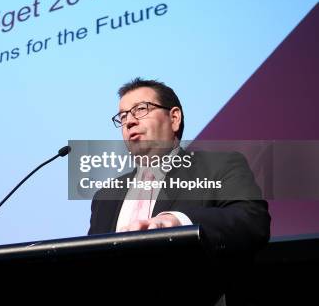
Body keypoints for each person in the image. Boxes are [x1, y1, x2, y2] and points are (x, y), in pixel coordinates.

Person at [88, 78, 271, 254]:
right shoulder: (105, 196)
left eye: (141, 109)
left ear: (174, 118)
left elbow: (252, 222)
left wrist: (180, 222)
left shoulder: (219, 167)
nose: (129, 122)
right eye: (123, 116)